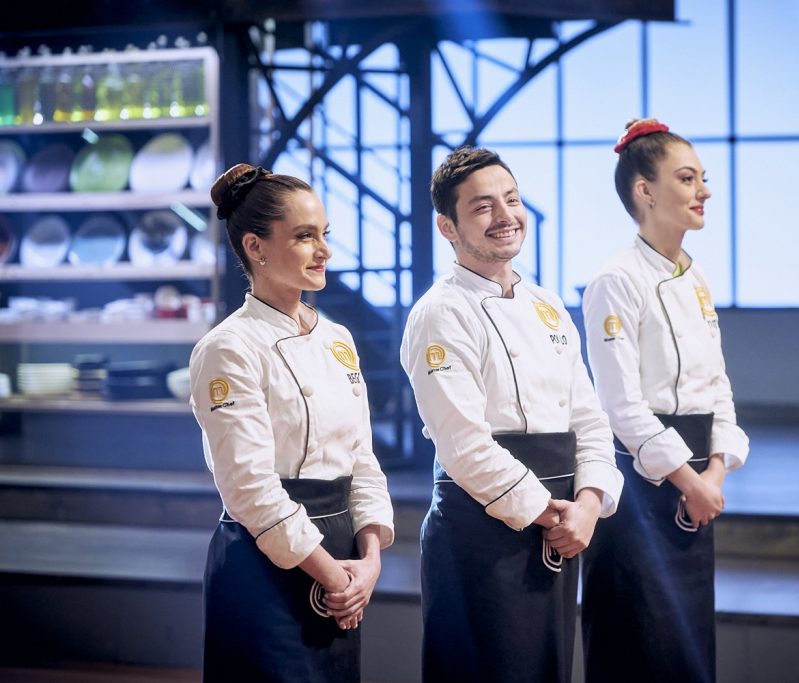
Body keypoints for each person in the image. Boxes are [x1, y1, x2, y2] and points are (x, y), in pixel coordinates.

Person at [400, 146, 624, 683]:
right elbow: (463, 446)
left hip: (560, 526)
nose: (505, 216)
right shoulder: (439, 313)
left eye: (512, 199)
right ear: (447, 227)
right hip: (479, 533)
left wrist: (589, 504)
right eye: (483, 207)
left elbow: (589, 419)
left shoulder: (548, 306)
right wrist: (552, 514)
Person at [189, 163, 394, 682]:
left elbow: (362, 459)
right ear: (256, 247)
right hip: (263, 567)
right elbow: (249, 488)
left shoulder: (338, 338)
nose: (324, 250)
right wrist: (332, 575)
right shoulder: (228, 347)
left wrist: (368, 563)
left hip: (344, 554)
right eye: (305, 237)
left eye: (325, 234)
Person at [580, 119, 751, 683]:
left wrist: (714, 475)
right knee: (637, 646)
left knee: (689, 650)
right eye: (687, 178)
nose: (704, 191)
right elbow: (620, 406)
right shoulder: (615, 280)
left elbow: (718, 386)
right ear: (644, 191)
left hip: (698, 486)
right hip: (638, 489)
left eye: (703, 178)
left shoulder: (696, 278)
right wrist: (690, 482)